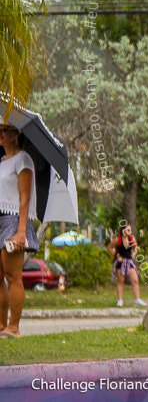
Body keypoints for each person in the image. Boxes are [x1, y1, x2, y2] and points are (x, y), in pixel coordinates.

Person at [0, 124, 40, 337]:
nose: (0, 134)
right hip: (0, 218)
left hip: (14, 219)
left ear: (17, 134)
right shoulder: (2, 162)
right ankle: (1, 324)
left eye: (4, 130)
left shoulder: (23, 160)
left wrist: (21, 231)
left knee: (12, 275)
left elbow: (24, 198)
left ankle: (13, 327)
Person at [108, 223, 147, 308]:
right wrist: (115, 254)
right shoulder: (117, 240)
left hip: (129, 261)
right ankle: (120, 300)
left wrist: (134, 253)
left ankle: (137, 299)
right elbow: (110, 247)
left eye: (130, 230)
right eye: (128, 230)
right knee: (121, 281)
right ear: (123, 230)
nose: (130, 231)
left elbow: (136, 247)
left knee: (135, 280)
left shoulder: (132, 239)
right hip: (121, 262)